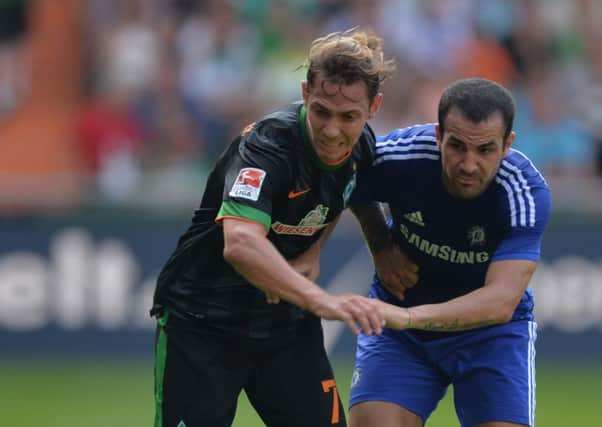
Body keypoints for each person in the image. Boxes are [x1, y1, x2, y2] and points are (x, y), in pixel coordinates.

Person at [150, 29, 395, 427]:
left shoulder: (362, 146)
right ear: (304, 92)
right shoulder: (269, 146)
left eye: (349, 116)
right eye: (321, 112)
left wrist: (367, 247)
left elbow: (349, 190)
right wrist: (322, 300)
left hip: (286, 327)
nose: (333, 130)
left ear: (374, 107)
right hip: (203, 324)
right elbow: (241, 243)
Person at [348, 78, 551, 427]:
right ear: (439, 134)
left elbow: (500, 302)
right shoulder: (399, 156)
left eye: (485, 150)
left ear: (507, 145)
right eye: (457, 146)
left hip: (489, 335)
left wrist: (411, 317)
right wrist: (380, 243)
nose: (469, 164)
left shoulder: (524, 192)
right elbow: (346, 183)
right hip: (402, 332)